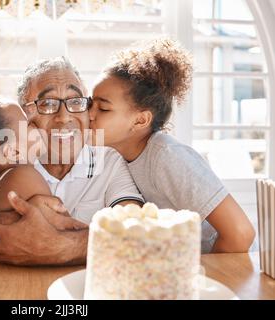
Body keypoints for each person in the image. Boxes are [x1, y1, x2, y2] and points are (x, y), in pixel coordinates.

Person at [0, 57, 144, 265]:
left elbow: (136, 234)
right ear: (25, 116)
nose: (64, 117)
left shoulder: (109, 161)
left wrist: (63, 246)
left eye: (75, 101)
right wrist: (11, 228)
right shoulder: (2, 162)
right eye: (48, 104)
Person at [89, 38, 256, 253]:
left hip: (232, 270)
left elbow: (241, 233)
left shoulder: (167, 157)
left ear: (140, 121)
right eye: (90, 103)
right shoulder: (117, 155)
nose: (89, 114)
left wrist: (200, 277)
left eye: (103, 109)